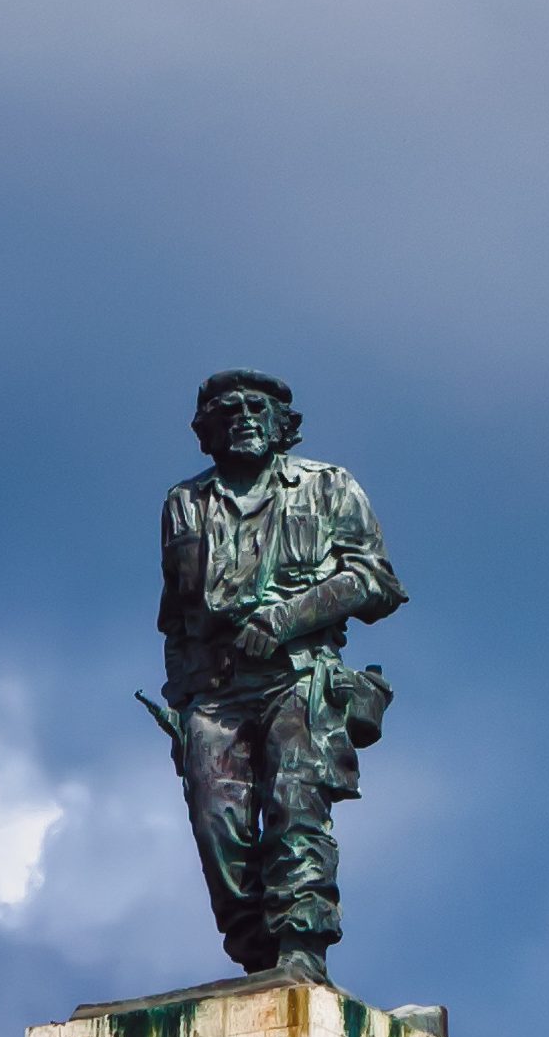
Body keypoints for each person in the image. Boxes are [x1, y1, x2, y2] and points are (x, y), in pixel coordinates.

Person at [155, 369, 403, 985]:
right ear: (207, 431)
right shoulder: (185, 503)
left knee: (296, 805)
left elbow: (375, 581)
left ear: (281, 424)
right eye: (227, 409)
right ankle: (256, 956)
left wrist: (287, 618)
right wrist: (181, 701)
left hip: (298, 678)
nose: (242, 417)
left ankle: (302, 946)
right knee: (218, 828)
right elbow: (176, 616)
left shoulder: (327, 488)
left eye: (256, 407)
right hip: (214, 692)